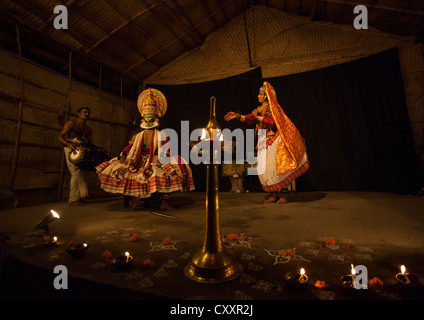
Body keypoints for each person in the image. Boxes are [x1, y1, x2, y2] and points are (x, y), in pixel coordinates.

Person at [96, 88, 195, 211]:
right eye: (146, 121)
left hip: (156, 158)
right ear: (143, 121)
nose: (148, 123)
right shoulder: (138, 136)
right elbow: (129, 147)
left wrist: (162, 157)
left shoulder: (162, 135)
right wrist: (123, 154)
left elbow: (167, 150)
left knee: (173, 172)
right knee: (123, 171)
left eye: (151, 121)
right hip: (137, 159)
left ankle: (164, 202)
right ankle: (135, 198)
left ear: (157, 122)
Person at [224, 81, 309, 204]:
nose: (258, 96)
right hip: (263, 140)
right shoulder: (259, 108)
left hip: (274, 140)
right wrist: (237, 116)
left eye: (260, 94)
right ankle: (273, 194)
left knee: (278, 168)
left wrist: (257, 117)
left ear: (266, 96)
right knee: (265, 169)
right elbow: (249, 118)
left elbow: (272, 122)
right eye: (258, 94)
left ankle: (284, 194)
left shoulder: (274, 108)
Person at [58, 107, 92, 206]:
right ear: (78, 114)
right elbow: (60, 137)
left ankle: (82, 195)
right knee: (75, 171)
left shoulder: (88, 129)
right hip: (71, 148)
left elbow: (90, 142)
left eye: (88, 113)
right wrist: (68, 144)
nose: (86, 114)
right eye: (84, 112)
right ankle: (73, 199)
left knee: (81, 171)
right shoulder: (71, 123)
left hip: (82, 149)